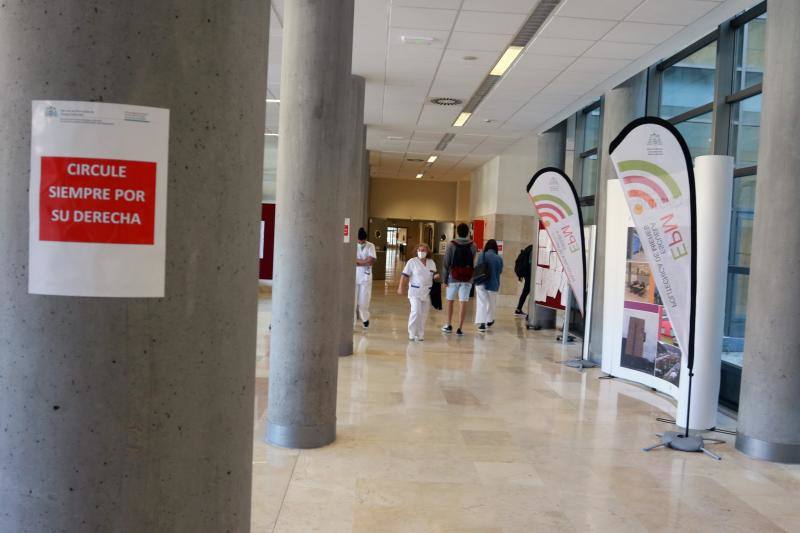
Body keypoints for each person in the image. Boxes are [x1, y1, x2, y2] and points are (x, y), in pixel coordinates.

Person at [397, 243, 439, 341]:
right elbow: (404, 275)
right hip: (414, 291)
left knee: (424, 314)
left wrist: (436, 276)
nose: (421, 252)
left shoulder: (431, 262)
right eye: (419, 250)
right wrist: (400, 287)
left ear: (427, 252)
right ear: (416, 251)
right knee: (416, 311)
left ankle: (420, 333)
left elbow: (433, 274)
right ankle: (411, 333)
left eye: (423, 250)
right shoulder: (412, 262)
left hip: (427, 292)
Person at [441, 223, 477, 336]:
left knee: (450, 301)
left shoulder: (451, 245)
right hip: (467, 278)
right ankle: (460, 328)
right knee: (463, 302)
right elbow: (474, 263)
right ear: (468, 232)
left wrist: (445, 279)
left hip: (453, 277)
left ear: (457, 232)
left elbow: (446, 263)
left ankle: (448, 324)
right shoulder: (473, 245)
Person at [475, 239, 503, 332]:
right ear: (495, 248)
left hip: (481, 282)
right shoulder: (499, 258)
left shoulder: (481, 255)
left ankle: (482, 324)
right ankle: (489, 320)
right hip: (493, 283)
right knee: (491, 303)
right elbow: (500, 271)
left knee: (481, 303)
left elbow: (477, 267)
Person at [355, 227, 377, 329]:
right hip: (354, 276)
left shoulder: (370, 246)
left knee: (364, 301)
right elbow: (352, 260)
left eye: (363, 241)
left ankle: (365, 319)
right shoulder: (353, 245)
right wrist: (365, 261)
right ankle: (352, 324)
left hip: (365, 277)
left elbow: (372, 261)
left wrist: (359, 262)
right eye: (359, 240)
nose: (361, 242)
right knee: (353, 301)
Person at [514, 244, 533, 317]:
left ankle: (519, 309)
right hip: (530, 274)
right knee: (527, 292)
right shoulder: (533, 250)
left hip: (527, 274)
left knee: (525, 292)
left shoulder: (529, 248)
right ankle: (520, 310)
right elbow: (530, 264)